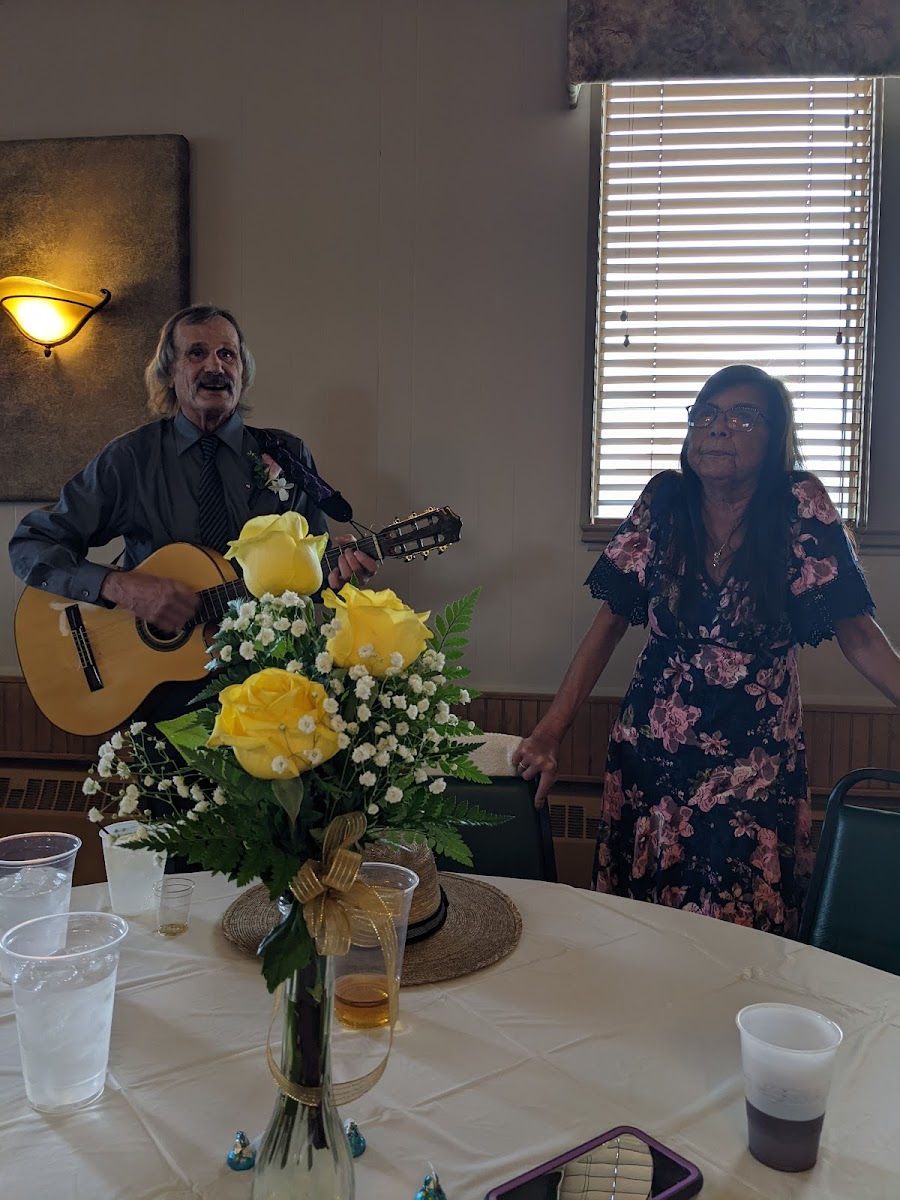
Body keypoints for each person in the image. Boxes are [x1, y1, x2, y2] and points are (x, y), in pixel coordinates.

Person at [514, 364, 900, 936]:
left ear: (776, 436)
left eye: (744, 417)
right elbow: (609, 623)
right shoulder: (664, 501)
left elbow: (860, 636)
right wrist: (549, 732)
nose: (719, 428)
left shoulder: (800, 505)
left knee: (738, 926)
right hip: (652, 755)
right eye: (707, 414)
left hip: (754, 762)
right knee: (642, 928)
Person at [8, 303, 378, 717]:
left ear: (242, 372)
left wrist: (342, 576)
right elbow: (30, 544)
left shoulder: (288, 454)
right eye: (197, 353)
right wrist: (119, 587)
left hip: (269, 684)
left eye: (227, 354)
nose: (215, 366)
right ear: (169, 372)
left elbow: (316, 574)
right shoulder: (131, 459)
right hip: (158, 691)